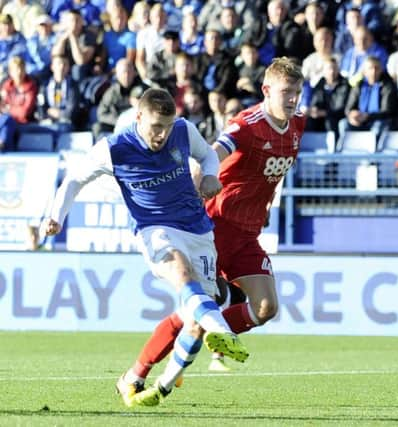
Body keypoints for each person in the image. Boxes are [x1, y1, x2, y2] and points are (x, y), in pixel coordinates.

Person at [42, 87, 249, 407]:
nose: (162, 135)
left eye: (166, 126)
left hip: (198, 229)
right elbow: (74, 179)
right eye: (155, 127)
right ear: (138, 117)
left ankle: (154, 384)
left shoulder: (181, 130)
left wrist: (210, 175)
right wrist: (56, 217)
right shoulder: (114, 147)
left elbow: (208, 153)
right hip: (154, 228)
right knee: (182, 274)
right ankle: (222, 330)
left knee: (194, 318)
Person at [119, 57, 305, 403]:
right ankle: (144, 378)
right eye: (286, 92)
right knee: (194, 314)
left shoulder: (298, 125)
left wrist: (260, 205)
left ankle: (209, 334)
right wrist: (202, 177)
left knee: (265, 307)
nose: (293, 99)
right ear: (266, 91)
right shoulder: (245, 125)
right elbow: (215, 151)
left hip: (248, 233)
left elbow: (269, 175)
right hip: (216, 228)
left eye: (297, 91)